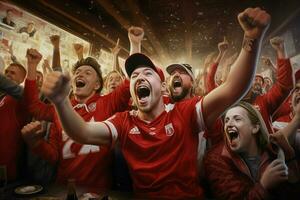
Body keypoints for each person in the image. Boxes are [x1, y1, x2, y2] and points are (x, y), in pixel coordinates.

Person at [40, 8, 271, 199]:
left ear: (162, 87)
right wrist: (61, 102)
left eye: (148, 73)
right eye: (135, 75)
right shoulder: (123, 121)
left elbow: (233, 88)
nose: (140, 77)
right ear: (131, 89)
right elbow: (82, 132)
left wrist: (252, 38)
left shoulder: (184, 112)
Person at [204, 101, 300, 200]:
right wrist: (263, 185)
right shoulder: (216, 159)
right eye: (227, 120)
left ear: (255, 127)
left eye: (237, 119)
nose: (229, 124)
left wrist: (289, 155)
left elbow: (293, 194)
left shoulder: (273, 151)